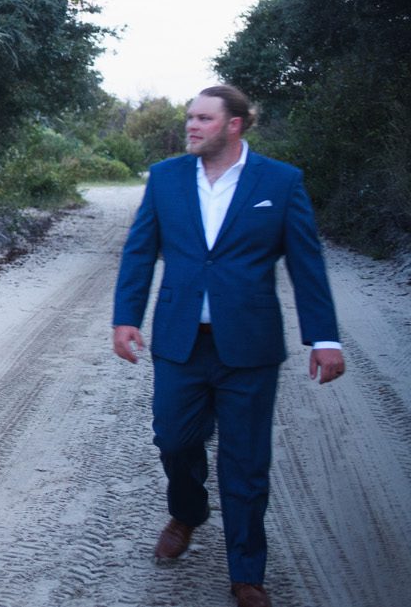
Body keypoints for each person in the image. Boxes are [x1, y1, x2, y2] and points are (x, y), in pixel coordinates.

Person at [112, 85, 345, 607]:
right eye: (189, 117)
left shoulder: (281, 182)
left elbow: (307, 265)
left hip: (249, 348)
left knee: (245, 462)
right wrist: (125, 317)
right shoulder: (167, 177)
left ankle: (246, 573)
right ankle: (188, 511)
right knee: (174, 441)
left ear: (235, 124)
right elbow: (139, 251)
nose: (191, 126)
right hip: (180, 341)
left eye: (203, 118)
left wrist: (324, 338)